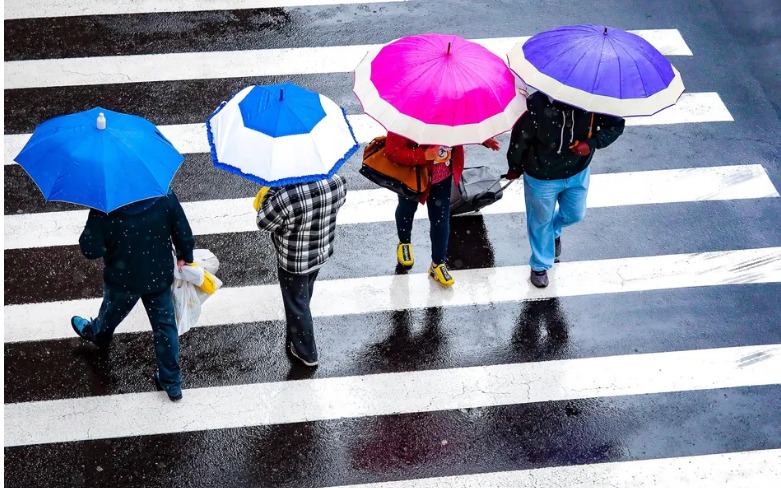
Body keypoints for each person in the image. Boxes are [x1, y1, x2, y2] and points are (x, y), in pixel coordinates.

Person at [71, 191, 195, 401]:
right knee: (165, 326)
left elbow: (90, 249)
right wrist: (185, 255)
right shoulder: (163, 195)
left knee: (112, 311)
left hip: (123, 280)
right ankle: (171, 381)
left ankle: (98, 334)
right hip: (158, 275)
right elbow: (182, 229)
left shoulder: (104, 208)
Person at [506, 91, 625, 288]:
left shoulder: (592, 101)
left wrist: (591, 143)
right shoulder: (535, 104)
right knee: (540, 221)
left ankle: (553, 232)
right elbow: (520, 137)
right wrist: (514, 166)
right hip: (541, 176)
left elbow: (615, 125)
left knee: (575, 214)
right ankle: (540, 265)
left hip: (578, 171)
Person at [254, 173, 347, 367]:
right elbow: (340, 202)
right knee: (304, 293)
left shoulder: (287, 194)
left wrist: (272, 188)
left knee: (297, 303)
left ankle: (306, 352)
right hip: (321, 251)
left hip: (294, 260)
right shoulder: (336, 180)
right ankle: (296, 332)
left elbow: (264, 222)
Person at [385, 132, 500, 287]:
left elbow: (463, 125)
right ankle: (404, 242)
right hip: (413, 176)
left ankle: (438, 263)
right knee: (407, 209)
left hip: (442, 177)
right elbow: (392, 153)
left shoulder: (451, 109)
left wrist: (480, 138)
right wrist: (424, 155)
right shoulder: (408, 117)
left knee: (441, 219)